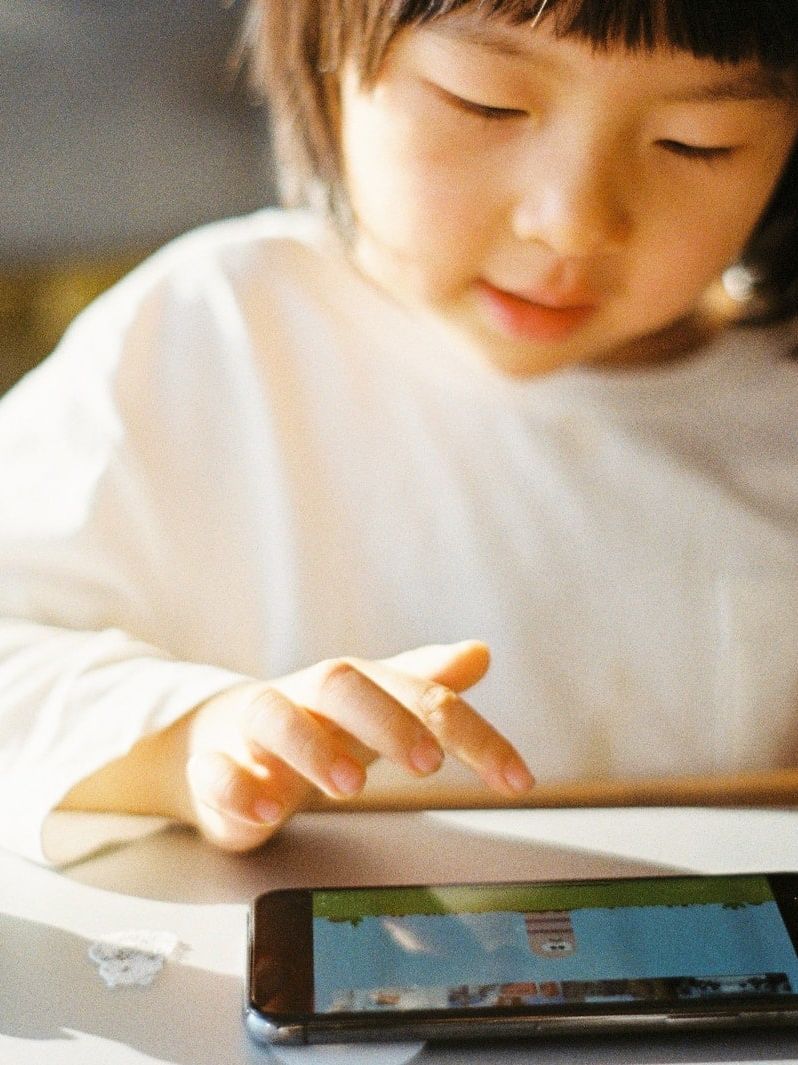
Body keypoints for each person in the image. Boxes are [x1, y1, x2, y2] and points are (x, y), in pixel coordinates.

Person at [0, 0, 797, 866]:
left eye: (698, 141)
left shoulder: (777, 409)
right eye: (486, 103)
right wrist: (186, 740)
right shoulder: (207, 339)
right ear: (327, 57)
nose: (572, 222)